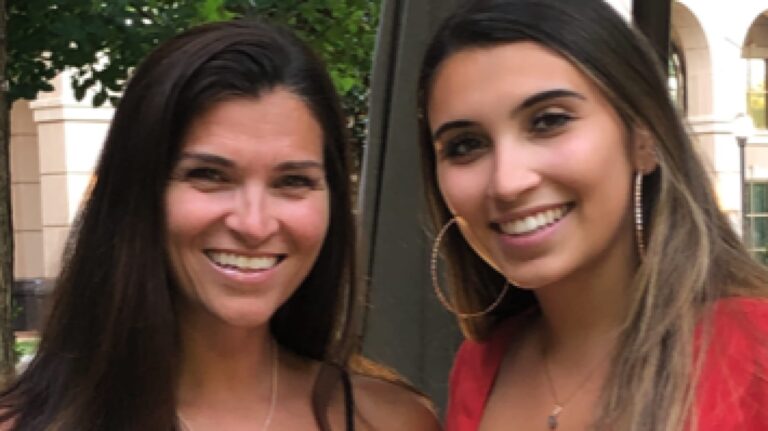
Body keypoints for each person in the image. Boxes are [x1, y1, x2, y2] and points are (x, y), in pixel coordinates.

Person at [0, 19, 440, 431]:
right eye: (209, 175)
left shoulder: (391, 421)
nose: (253, 224)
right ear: (138, 193)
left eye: (293, 181)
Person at [417, 0, 768, 430]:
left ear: (643, 137)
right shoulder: (481, 364)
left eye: (548, 121)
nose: (507, 182)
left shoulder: (757, 350)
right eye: (465, 145)